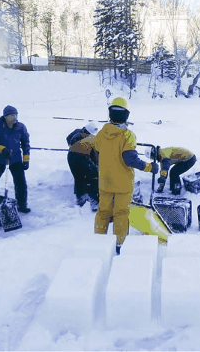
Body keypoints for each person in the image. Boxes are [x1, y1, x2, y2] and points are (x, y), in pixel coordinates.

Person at [94, 97, 159, 254]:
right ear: (126, 115)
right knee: (121, 213)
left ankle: (98, 242)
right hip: (122, 184)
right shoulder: (127, 135)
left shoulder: (101, 134)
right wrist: (150, 167)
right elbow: (130, 159)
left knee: (103, 212)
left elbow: (97, 152)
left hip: (105, 181)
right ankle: (119, 244)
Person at [0, 105, 31, 213]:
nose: (14, 118)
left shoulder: (21, 127)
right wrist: (1, 149)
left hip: (15, 158)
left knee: (20, 182)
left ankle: (22, 204)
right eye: (11, 116)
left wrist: (26, 158)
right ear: (5, 117)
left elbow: (25, 143)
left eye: (15, 115)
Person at [67, 121, 99, 210]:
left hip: (71, 155)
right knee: (94, 176)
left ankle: (80, 198)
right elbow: (96, 157)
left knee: (79, 177)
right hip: (81, 156)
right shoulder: (94, 140)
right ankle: (94, 201)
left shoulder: (79, 134)